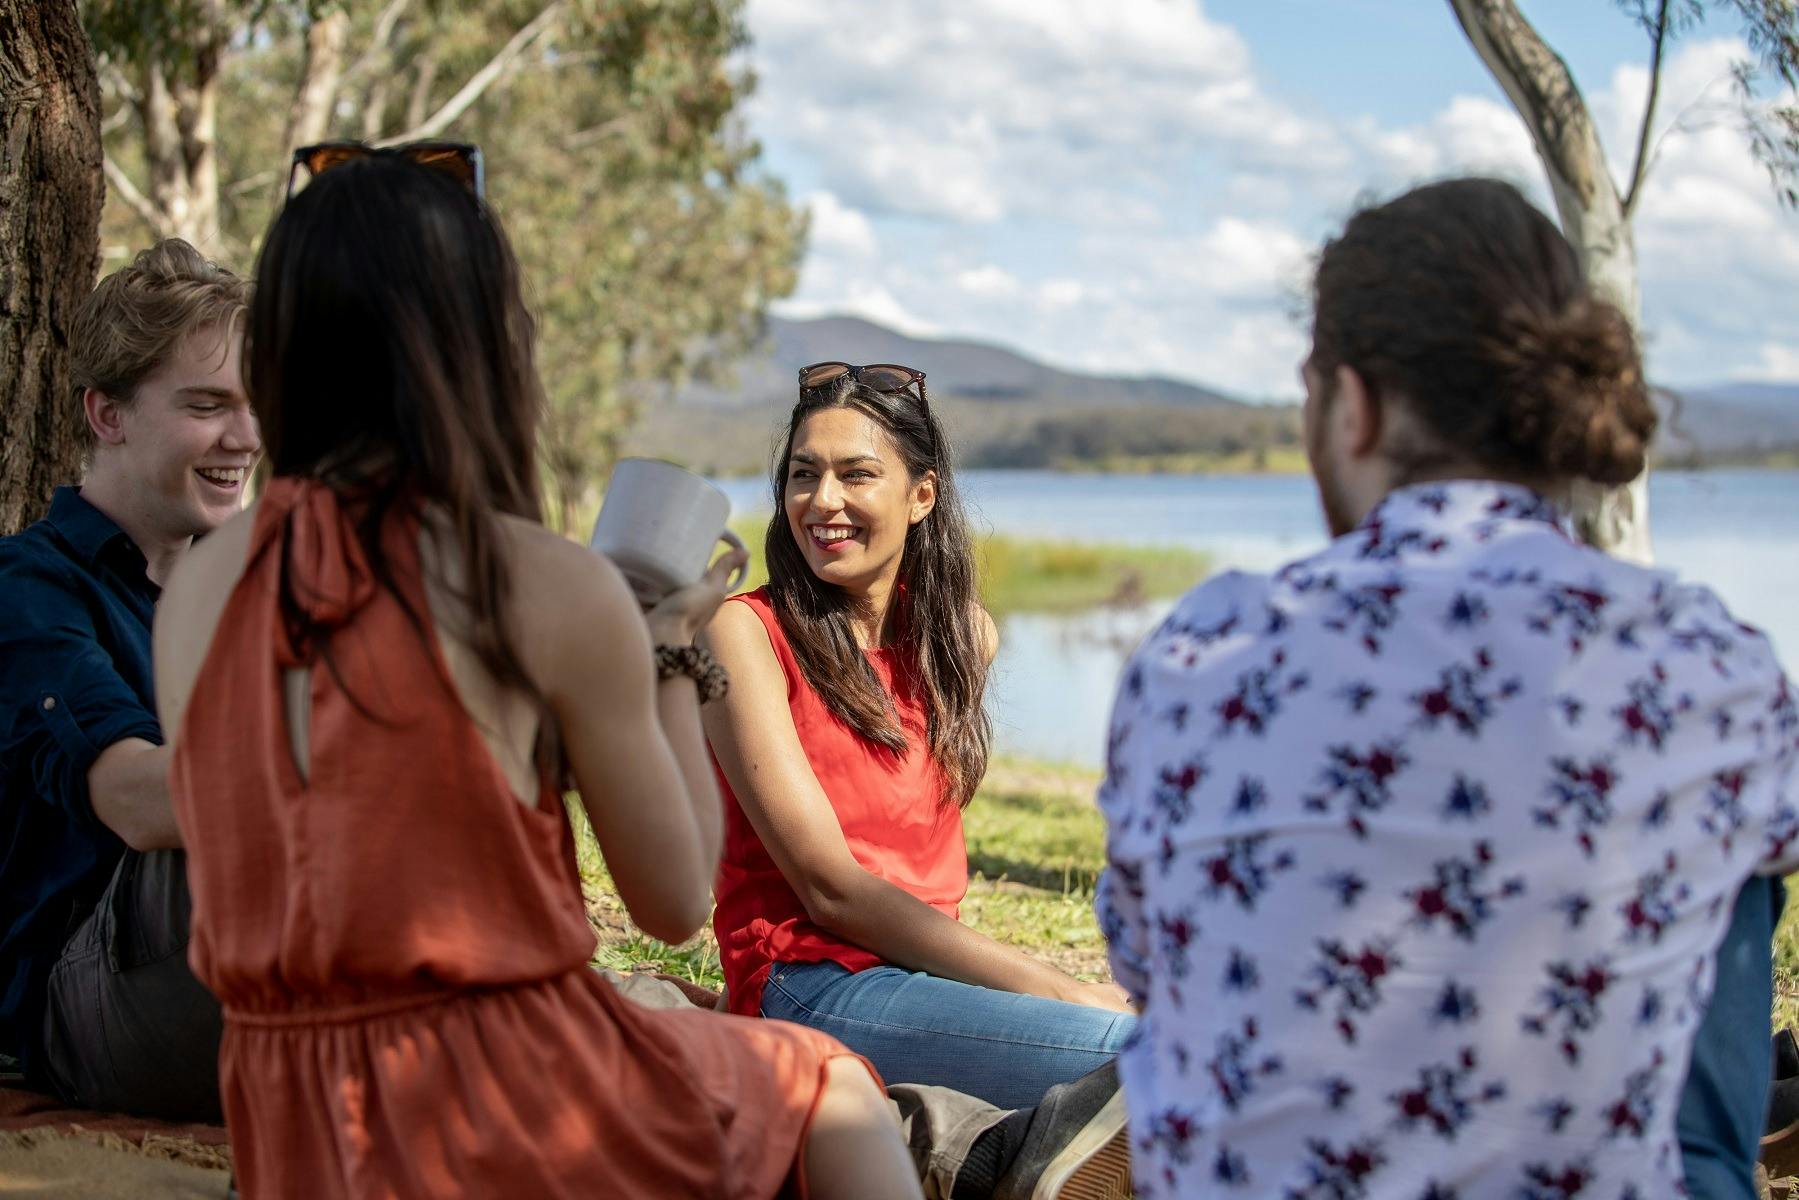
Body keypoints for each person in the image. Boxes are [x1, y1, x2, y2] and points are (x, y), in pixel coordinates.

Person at [151, 147, 921, 1200]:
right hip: (501, 1100)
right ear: (477, 348)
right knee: (831, 1086)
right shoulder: (530, 582)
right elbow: (673, 898)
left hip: (291, 1110)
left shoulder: (198, 588)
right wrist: (671, 649)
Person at [1094, 177, 1799, 1199]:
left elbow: (1149, 963)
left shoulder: (1199, 650)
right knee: (1734, 846)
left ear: (1355, 404)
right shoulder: (1704, 662)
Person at [703, 363, 1136, 1113]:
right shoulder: (744, 632)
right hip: (808, 985)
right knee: (1151, 1058)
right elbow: (830, 890)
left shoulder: (961, 640)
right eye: (803, 475)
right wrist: (1066, 991)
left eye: (856, 475)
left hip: (925, 984)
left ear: (921, 496)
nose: (822, 501)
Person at [0, 240, 254, 1120]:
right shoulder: (30, 588)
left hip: (245, 956)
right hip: (90, 992)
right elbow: (141, 805)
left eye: (256, 406)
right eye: (207, 405)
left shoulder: (252, 584)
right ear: (107, 414)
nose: (245, 436)